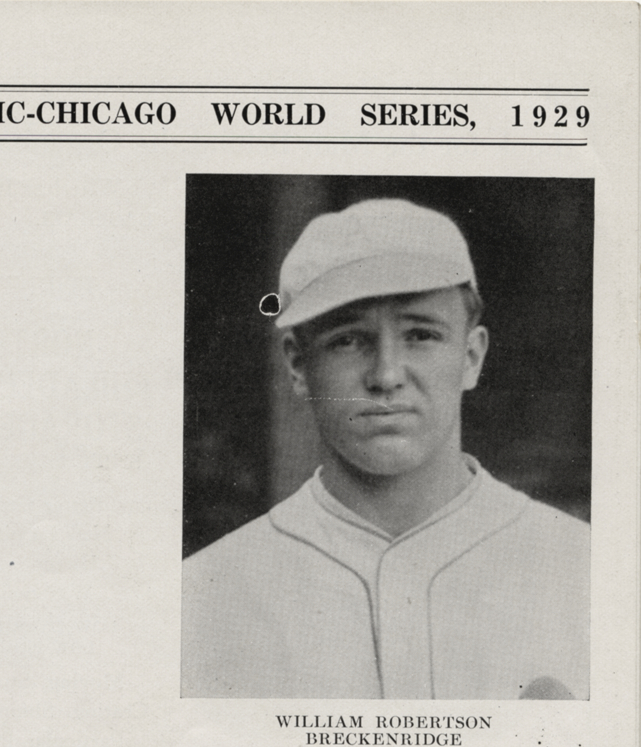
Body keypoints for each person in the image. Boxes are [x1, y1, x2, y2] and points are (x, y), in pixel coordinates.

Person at [181, 198, 589, 699]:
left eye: (421, 334)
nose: (387, 375)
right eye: (348, 340)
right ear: (296, 365)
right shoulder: (203, 597)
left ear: (471, 355)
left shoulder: (588, 572)